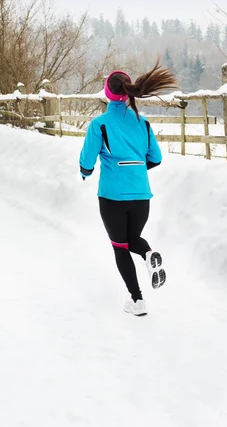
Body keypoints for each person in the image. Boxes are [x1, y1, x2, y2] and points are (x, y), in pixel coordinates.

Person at [79, 61, 177, 316]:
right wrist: (135, 169)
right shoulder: (142, 123)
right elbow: (155, 158)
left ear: (107, 93)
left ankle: (137, 300)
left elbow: (87, 160)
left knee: (120, 246)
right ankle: (148, 253)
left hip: (112, 196)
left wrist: (85, 172)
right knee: (132, 239)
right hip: (142, 196)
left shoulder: (99, 124)